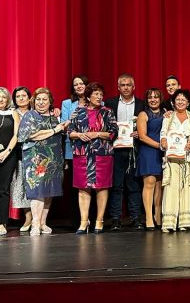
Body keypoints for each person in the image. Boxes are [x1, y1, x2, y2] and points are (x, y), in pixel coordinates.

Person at [68, 82, 118, 234]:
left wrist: (97, 134)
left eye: (101, 95)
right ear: (88, 96)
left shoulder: (107, 112)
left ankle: (99, 220)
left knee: (101, 187)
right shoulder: (78, 112)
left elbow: (114, 132)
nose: (99, 97)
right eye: (96, 94)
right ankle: (84, 222)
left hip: (102, 154)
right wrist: (78, 134)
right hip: (82, 153)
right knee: (83, 187)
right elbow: (70, 131)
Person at [18, 88, 68, 236]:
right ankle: (34, 224)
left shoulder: (54, 118)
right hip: (36, 160)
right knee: (37, 191)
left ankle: (42, 223)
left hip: (54, 159)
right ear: (34, 101)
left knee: (49, 191)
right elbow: (32, 135)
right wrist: (54, 130)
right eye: (38, 99)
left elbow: (61, 137)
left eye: (44, 99)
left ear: (50, 101)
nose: (41, 102)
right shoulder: (30, 115)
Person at [105, 73, 145, 230]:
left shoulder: (142, 104)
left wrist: (139, 132)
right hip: (115, 149)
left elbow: (146, 124)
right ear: (118, 87)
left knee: (134, 185)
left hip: (134, 149)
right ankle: (115, 219)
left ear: (133, 87)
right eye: (123, 85)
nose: (126, 87)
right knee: (116, 185)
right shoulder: (110, 103)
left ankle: (136, 218)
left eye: (129, 85)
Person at [160, 89, 190, 232]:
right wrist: (164, 141)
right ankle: (169, 223)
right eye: (178, 99)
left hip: (188, 157)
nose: (181, 102)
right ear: (173, 102)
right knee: (171, 188)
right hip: (171, 158)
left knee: (187, 188)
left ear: (188, 102)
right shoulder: (169, 117)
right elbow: (163, 133)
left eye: (183, 100)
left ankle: (184, 222)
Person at [60, 75, 89, 226]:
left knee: (91, 184)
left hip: (92, 149)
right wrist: (71, 119)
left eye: (81, 83)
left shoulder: (98, 101)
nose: (78, 86)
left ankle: (91, 217)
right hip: (72, 149)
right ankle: (76, 220)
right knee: (75, 185)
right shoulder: (67, 103)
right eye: (76, 84)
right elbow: (63, 126)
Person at [0, 88, 19, 236]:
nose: (1, 100)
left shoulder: (13, 113)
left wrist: (6, 152)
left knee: (4, 189)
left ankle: (2, 222)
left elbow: (16, 135)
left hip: (8, 156)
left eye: (3, 97)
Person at [136, 88, 164, 230]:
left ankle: (158, 216)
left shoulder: (166, 113)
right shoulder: (143, 114)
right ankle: (148, 217)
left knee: (160, 184)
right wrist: (159, 145)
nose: (153, 99)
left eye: (156, 97)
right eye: (150, 97)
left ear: (160, 98)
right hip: (149, 150)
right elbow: (142, 136)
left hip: (163, 152)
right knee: (150, 182)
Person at [10, 87, 32, 231]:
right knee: (19, 186)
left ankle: (33, 218)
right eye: (18, 96)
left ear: (30, 97)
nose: (21, 98)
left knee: (32, 185)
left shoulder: (36, 112)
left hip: (35, 154)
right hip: (17, 154)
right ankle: (28, 216)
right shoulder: (11, 112)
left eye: (24, 95)